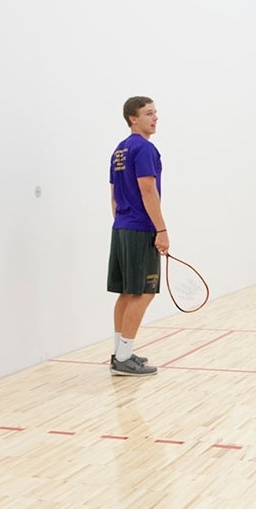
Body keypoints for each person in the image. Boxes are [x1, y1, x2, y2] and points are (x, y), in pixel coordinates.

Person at [107, 96, 168, 377]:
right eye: (148, 113)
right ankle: (123, 358)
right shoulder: (144, 148)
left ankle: (121, 353)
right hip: (140, 228)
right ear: (133, 118)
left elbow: (113, 195)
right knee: (143, 293)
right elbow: (147, 190)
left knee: (127, 292)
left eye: (155, 113)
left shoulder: (119, 150)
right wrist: (161, 230)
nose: (155, 118)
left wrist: (122, 222)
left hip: (121, 227)